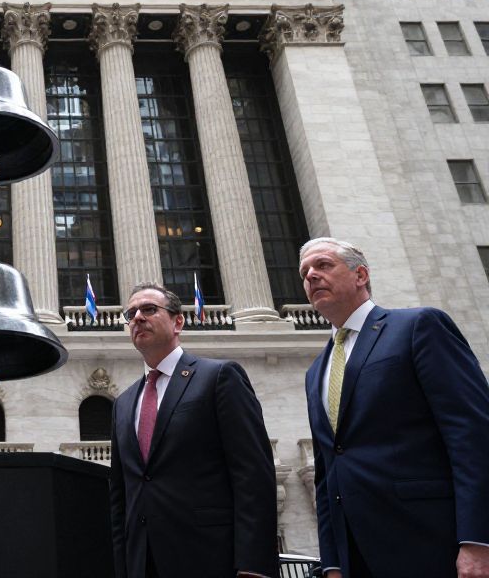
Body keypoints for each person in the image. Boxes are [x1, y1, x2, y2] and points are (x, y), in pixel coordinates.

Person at [299, 237, 489, 578]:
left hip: (433, 543)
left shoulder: (418, 326)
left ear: (360, 275)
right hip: (357, 557)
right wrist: (333, 563)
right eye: (305, 272)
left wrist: (478, 539)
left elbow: (472, 435)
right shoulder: (316, 371)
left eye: (323, 265)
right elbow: (328, 472)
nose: (311, 275)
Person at [109, 281, 277, 578]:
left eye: (149, 309)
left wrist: (254, 566)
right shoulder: (123, 403)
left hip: (211, 559)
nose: (137, 318)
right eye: (131, 314)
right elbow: (121, 497)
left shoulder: (219, 377)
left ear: (178, 322)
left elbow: (253, 475)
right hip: (143, 564)